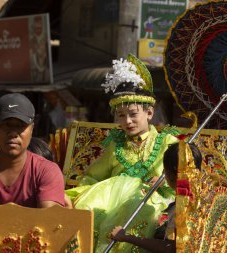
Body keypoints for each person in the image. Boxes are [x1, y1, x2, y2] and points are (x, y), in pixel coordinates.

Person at [66, 54, 180, 252]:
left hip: (152, 201)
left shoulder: (168, 143)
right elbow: (93, 177)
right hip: (112, 200)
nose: (127, 121)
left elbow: (182, 180)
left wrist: (163, 184)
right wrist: (83, 193)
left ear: (150, 113)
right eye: (121, 115)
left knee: (137, 209)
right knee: (88, 207)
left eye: (133, 114)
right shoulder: (114, 145)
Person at [0, 93, 71, 209]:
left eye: (20, 126)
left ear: (32, 129)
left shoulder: (46, 171)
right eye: (6, 125)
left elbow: (49, 216)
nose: (13, 133)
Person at [110, 141, 202, 253]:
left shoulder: (182, 207)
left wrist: (126, 237)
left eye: (164, 171)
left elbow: (170, 248)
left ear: (170, 175)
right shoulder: (205, 194)